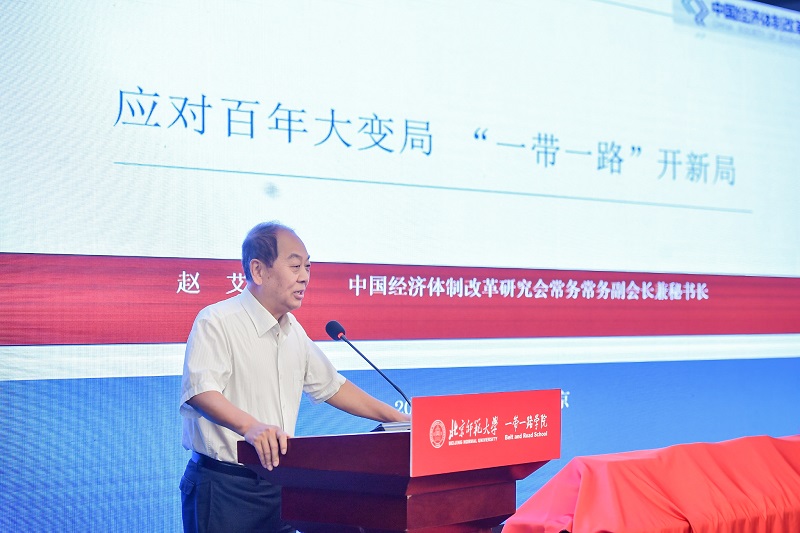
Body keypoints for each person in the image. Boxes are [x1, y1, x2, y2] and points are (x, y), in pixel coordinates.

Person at [179, 221, 410, 533]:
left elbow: (332, 386)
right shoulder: (217, 320)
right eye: (295, 266)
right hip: (225, 489)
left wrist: (399, 420)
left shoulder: (293, 331)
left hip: (280, 486)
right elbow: (201, 392)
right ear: (258, 270)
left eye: (308, 267)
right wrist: (251, 427)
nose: (304, 276)